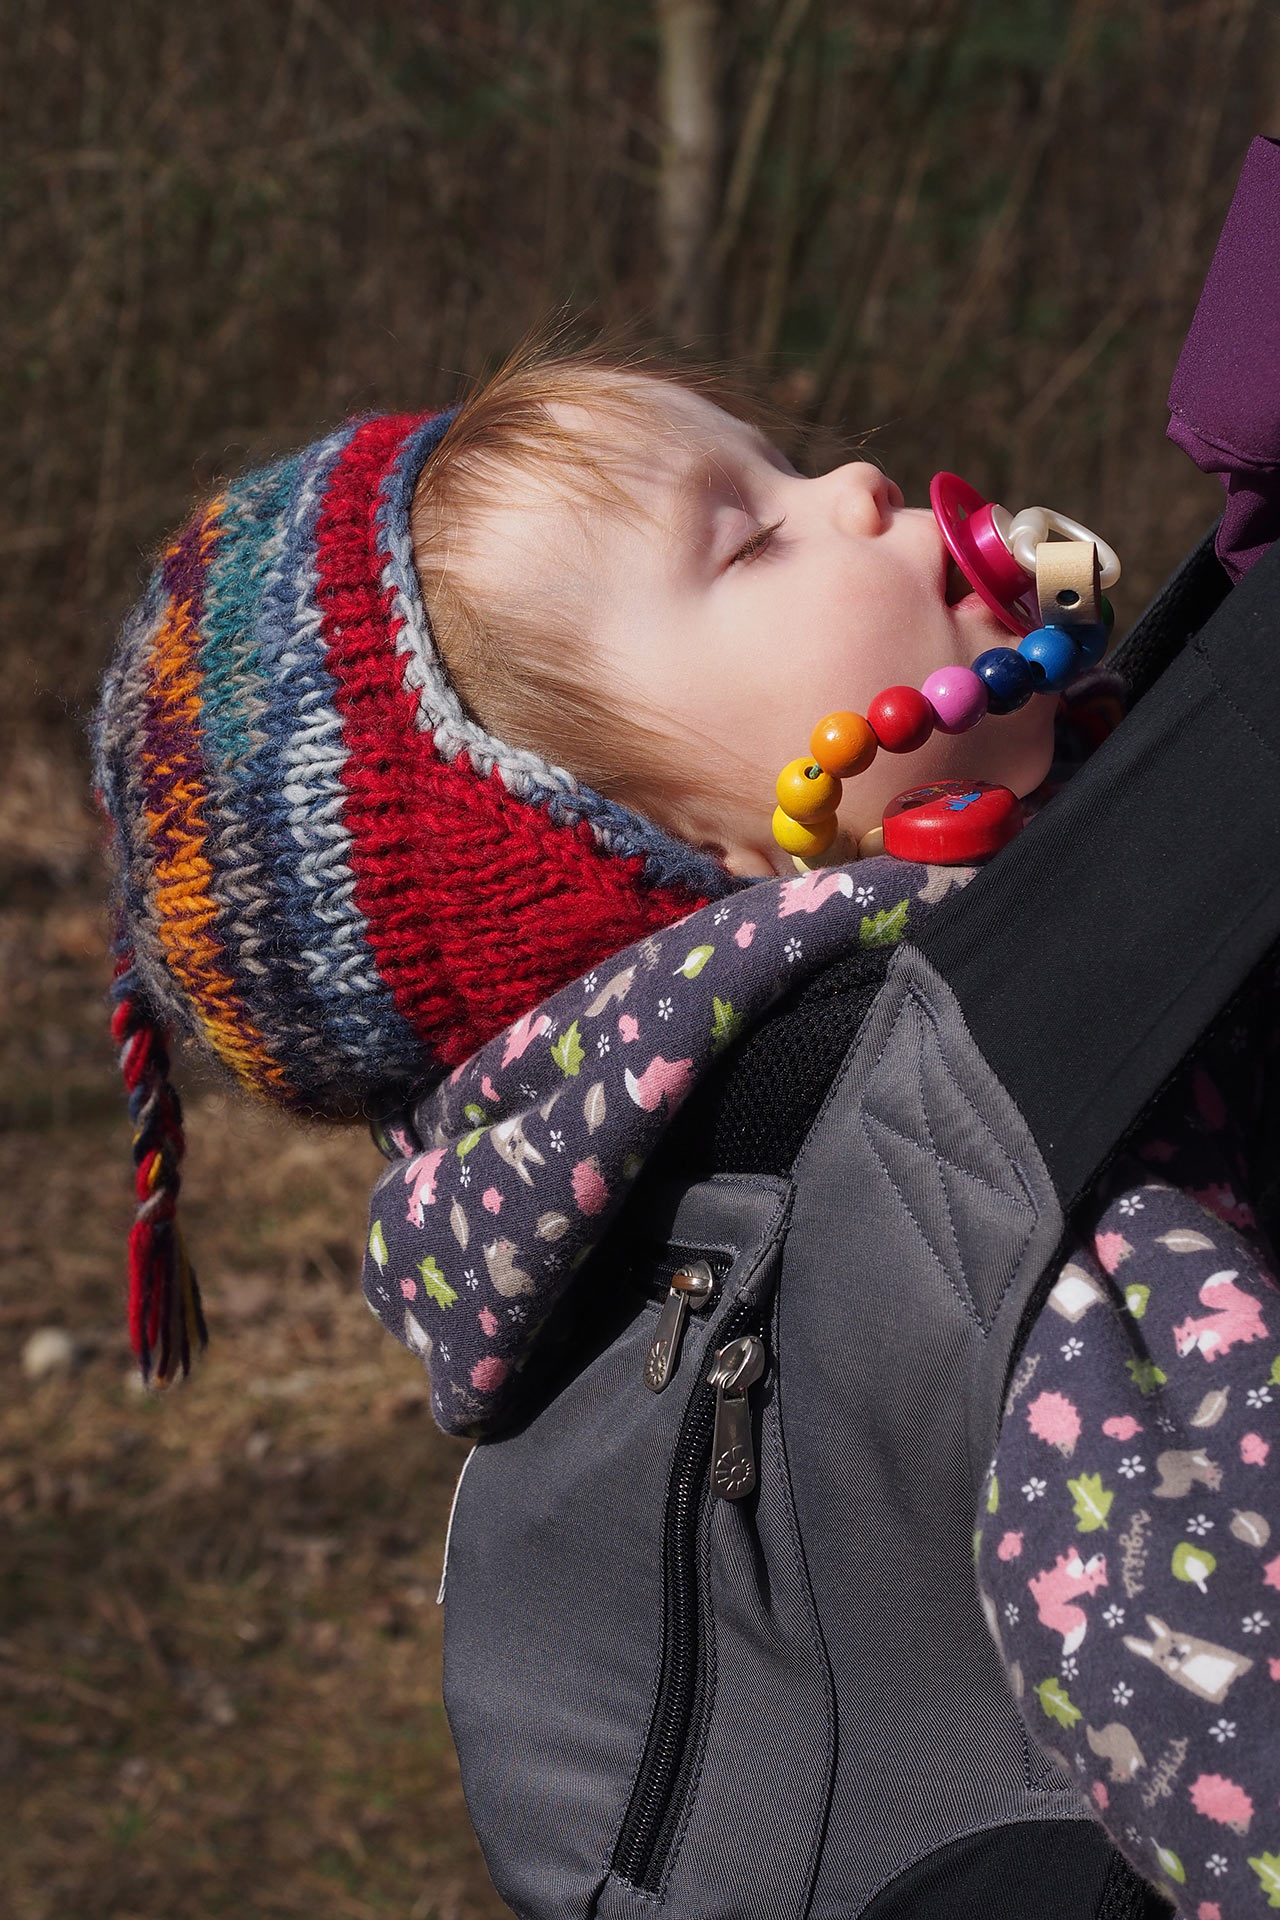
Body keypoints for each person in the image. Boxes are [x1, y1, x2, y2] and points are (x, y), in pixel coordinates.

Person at [94, 189, 1278, 1910]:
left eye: (783, 467)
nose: (855, 485)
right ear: (663, 855)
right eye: (748, 541)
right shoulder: (984, 1150)